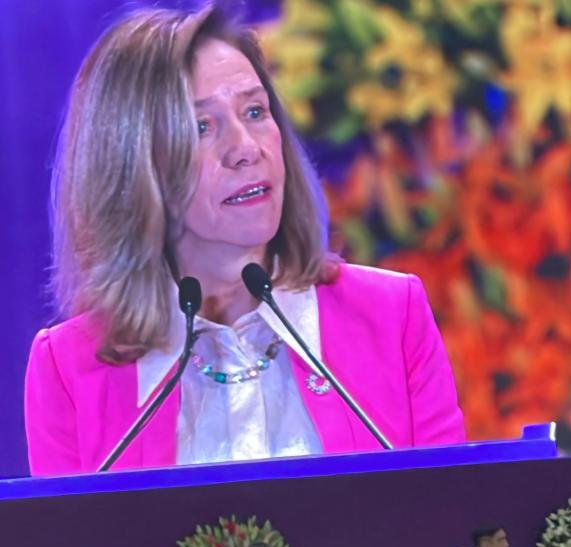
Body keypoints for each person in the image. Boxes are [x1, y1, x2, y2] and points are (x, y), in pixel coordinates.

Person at [24, 3, 465, 476]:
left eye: (255, 111)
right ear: (135, 166)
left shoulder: (391, 316)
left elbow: (451, 531)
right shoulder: (70, 370)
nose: (246, 149)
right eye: (202, 127)